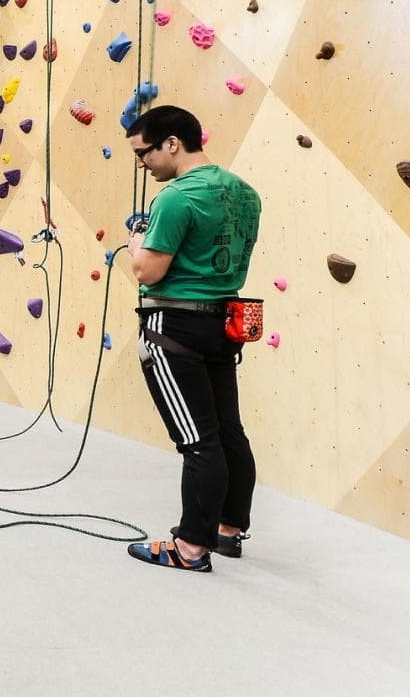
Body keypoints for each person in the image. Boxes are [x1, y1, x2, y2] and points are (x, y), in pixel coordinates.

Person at [124, 105, 262, 573]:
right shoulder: (246, 193)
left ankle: (190, 548)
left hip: (176, 326)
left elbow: (149, 270)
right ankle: (228, 529)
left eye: (144, 153)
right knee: (227, 431)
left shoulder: (176, 198)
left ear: (171, 143)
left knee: (198, 441)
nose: (142, 164)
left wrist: (135, 244)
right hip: (224, 321)